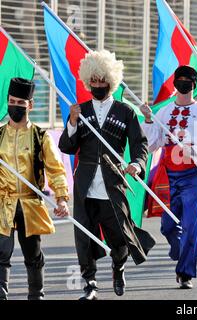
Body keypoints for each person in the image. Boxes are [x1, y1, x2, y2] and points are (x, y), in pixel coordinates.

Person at [59, 50, 154, 300]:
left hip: (113, 182)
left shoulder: (126, 112)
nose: (98, 85)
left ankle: (118, 267)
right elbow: (66, 147)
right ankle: (90, 285)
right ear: (88, 81)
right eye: (94, 81)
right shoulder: (81, 111)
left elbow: (140, 145)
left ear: (111, 81)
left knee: (120, 235)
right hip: (85, 185)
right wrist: (71, 122)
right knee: (84, 237)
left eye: (102, 81)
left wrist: (137, 164)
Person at [140, 65, 197, 289]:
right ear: (175, 82)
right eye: (181, 79)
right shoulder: (164, 112)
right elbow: (151, 144)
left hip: (193, 176)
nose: (184, 83)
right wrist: (148, 120)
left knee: (192, 224)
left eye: (188, 80)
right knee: (168, 226)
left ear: (194, 85)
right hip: (167, 176)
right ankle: (178, 249)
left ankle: (185, 272)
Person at [0, 78, 70, 300]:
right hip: (3, 203)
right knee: (1, 252)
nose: (15, 106)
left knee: (33, 255)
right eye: (12, 101)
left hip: (30, 204)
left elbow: (55, 170)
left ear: (30, 105)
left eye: (21, 102)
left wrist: (61, 198)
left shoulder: (41, 136)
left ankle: (36, 295)